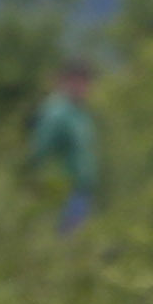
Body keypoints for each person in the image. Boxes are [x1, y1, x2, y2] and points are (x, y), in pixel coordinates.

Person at [35, 58, 104, 229]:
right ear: (67, 81)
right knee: (66, 242)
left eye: (87, 81)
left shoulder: (79, 111)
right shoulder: (56, 113)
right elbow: (41, 150)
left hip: (81, 191)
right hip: (64, 192)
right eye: (80, 81)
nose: (85, 87)